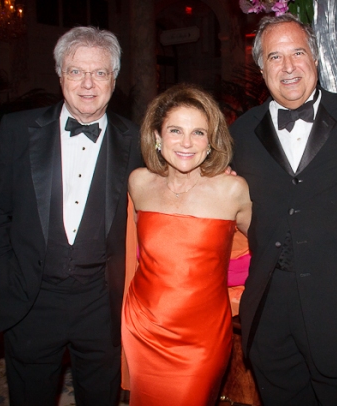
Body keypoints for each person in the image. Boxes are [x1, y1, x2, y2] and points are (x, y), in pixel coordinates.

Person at [229, 13, 337, 405]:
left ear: (316, 58)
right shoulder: (241, 132)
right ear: (260, 68)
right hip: (271, 305)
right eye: (274, 57)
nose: (288, 67)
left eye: (298, 52)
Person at [0, 27, 143, 405]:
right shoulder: (20, 130)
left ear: (114, 80)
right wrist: (3, 271)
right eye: (75, 71)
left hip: (102, 305)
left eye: (99, 73)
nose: (88, 83)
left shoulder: (136, 141)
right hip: (31, 301)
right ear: (59, 75)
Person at [122, 84, 251, 405]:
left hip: (202, 338)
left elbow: (264, 246)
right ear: (156, 135)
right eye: (175, 130)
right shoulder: (139, 182)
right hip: (143, 328)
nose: (186, 143)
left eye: (198, 133)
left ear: (211, 142)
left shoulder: (232, 190)